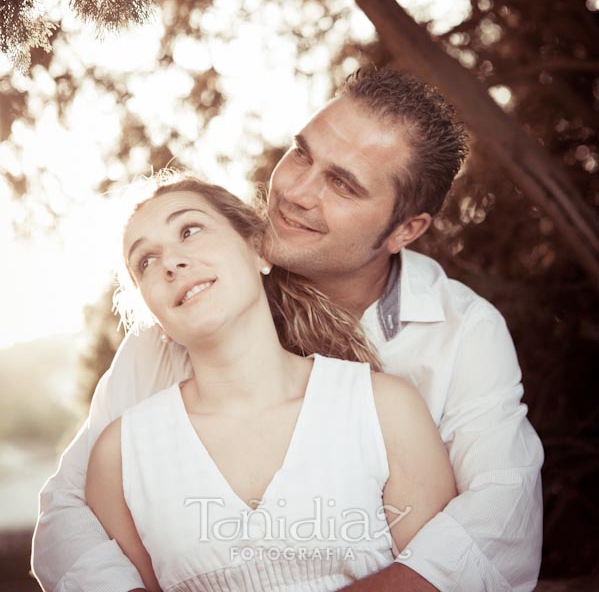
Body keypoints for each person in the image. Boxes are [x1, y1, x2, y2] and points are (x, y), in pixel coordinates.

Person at [32, 68, 544, 592]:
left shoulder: (460, 334)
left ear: (404, 230)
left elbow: (496, 521)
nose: (295, 191)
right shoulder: (170, 336)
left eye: (342, 183)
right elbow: (68, 514)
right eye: (302, 153)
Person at [84, 177, 456, 592]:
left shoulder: (384, 408)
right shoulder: (119, 458)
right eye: (146, 262)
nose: (170, 262)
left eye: (189, 231)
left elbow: (441, 578)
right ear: (154, 317)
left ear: (259, 249)